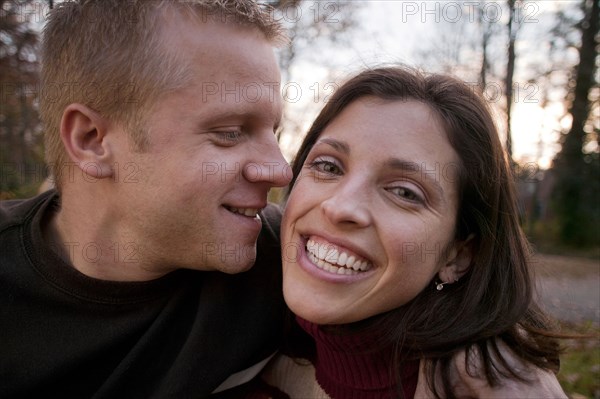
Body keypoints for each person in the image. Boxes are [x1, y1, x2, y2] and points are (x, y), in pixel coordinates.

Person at [0, 0, 292, 397]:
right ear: (92, 141)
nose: (279, 170)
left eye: (273, 130)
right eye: (230, 131)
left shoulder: (291, 259)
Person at [261, 67, 567, 398]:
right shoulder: (237, 337)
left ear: (458, 255)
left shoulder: (491, 388)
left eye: (404, 192)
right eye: (328, 166)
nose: (340, 207)